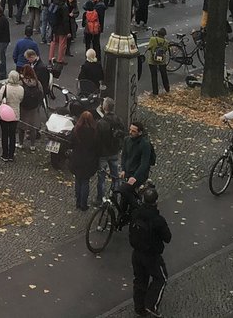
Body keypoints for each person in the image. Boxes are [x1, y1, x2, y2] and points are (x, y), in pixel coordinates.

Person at [128, 185, 171, 318]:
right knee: (161, 278)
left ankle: (139, 307)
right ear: (156, 202)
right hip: (152, 255)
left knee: (140, 279)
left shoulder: (135, 213)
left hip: (136, 253)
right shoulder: (158, 220)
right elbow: (167, 238)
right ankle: (151, 305)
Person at [95, 98, 127, 202]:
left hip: (103, 153)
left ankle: (100, 199)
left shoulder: (101, 122)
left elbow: (97, 139)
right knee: (115, 176)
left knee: (102, 178)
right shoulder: (119, 120)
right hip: (114, 152)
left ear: (104, 107)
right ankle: (115, 196)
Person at [0, 70, 25, 162]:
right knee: (12, 135)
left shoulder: (5, 87)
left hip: (5, 113)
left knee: (5, 134)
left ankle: (5, 154)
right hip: (15, 114)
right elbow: (21, 99)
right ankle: (11, 155)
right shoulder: (21, 89)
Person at [70, 110, 98, 211]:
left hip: (77, 158)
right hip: (89, 160)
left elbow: (71, 143)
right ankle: (83, 204)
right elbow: (97, 147)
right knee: (85, 182)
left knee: (78, 180)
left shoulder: (76, 130)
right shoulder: (94, 131)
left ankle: (78, 202)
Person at [17, 65, 45, 152]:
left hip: (23, 107)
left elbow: (19, 95)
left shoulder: (21, 83)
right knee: (33, 128)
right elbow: (42, 94)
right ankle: (32, 145)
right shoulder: (37, 82)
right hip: (34, 108)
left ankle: (21, 143)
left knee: (21, 127)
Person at [145, 28, 169, 95]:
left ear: (158, 33)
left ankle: (155, 92)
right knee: (164, 74)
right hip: (162, 61)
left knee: (154, 76)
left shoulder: (153, 39)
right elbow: (165, 50)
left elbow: (149, 47)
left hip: (152, 61)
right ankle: (167, 88)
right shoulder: (166, 42)